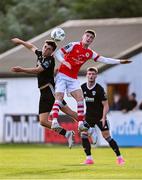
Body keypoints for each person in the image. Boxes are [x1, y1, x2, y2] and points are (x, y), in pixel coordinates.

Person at [51, 29, 131, 131]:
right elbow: (58, 53)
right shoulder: (73, 45)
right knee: (59, 98)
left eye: (91, 38)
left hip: (73, 78)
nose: (89, 38)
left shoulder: (89, 53)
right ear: (83, 37)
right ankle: (54, 121)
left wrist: (120, 61)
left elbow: (104, 59)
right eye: (87, 36)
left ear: (92, 41)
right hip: (62, 75)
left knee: (80, 99)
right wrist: (64, 62)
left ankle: (80, 123)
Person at [11, 38, 78, 148]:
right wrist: (21, 42)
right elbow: (32, 46)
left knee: (65, 113)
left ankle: (89, 125)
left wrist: (21, 69)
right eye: (45, 46)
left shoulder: (49, 60)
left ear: (52, 52)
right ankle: (69, 133)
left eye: (49, 49)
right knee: (45, 121)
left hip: (50, 91)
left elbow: (38, 70)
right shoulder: (41, 55)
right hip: (44, 92)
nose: (45, 49)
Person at [80, 67, 125, 165]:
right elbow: (78, 99)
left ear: (96, 76)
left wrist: (103, 118)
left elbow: (106, 105)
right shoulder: (82, 87)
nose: (91, 76)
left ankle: (120, 157)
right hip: (88, 117)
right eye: (89, 74)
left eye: (93, 74)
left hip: (100, 117)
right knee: (83, 135)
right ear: (86, 75)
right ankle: (89, 158)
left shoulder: (99, 89)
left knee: (107, 137)